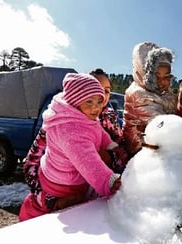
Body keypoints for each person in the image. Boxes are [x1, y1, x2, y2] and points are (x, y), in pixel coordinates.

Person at [19, 73, 122, 222]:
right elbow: (88, 161)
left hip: (85, 185)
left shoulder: (94, 115)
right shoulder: (67, 128)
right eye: (89, 101)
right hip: (61, 186)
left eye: (105, 92)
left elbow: (101, 133)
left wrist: (112, 148)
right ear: (75, 101)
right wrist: (109, 181)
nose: (97, 105)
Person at [123, 42, 177, 157]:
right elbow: (162, 127)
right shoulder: (139, 94)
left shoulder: (164, 93)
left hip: (157, 150)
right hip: (141, 153)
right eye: (156, 76)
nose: (162, 81)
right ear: (144, 73)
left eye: (167, 76)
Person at [89, 68, 128, 173]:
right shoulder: (64, 116)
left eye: (106, 91)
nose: (102, 94)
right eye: (97, 88)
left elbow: (121, 150)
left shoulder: (109, 115)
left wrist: (109, 157)